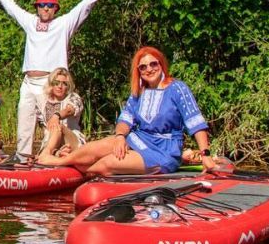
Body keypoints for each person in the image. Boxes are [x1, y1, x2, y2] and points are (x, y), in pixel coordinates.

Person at [0, 0, 116, 159]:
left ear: (55, 8)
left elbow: (86, 4)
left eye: (49, 5)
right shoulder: (30, 22)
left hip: (50, 83)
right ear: (37, 7)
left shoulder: (63, 24)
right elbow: (11, 7)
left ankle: (55, 156)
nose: (45, 8)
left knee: (53, 124)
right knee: (24, 120)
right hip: (28, 82)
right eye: (41, 5)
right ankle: (22, 158)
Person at [37, 46, 218, 176]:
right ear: (138, 71)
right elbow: (125, 119)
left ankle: (63, 164)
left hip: (164, 151)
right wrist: (120, 137)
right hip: (137, 138)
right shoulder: (138, 92)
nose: (149, 69)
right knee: (93, 149)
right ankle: (69, 161)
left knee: (107, 163)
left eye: (153, 64)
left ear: (161, 64)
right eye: (143, 67)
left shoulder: (178, 88)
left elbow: (196, 123)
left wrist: (206, 154)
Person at [37, 67, 85, 157]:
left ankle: (46, 154)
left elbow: (69, 110)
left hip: (72, 140)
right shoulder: (42, 101)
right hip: (51, 142)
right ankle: (56, 153)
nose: (60, 86)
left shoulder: (74, 98)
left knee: (58, 127)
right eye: (56, 83)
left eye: (64, 84)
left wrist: (57, 116)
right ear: (51, 84)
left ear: (68, 86)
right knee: (51, 136)